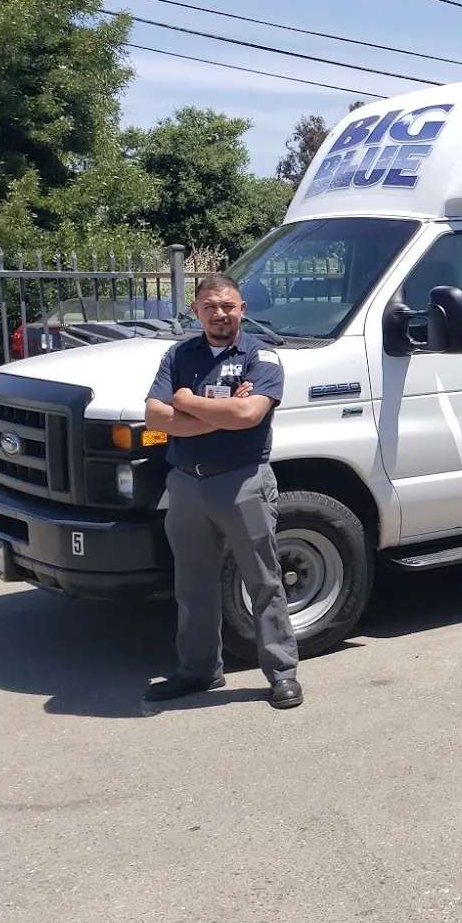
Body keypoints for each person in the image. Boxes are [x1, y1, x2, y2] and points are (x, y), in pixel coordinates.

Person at [142, 274, 301, 710]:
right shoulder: (179, 354)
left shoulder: (260, 355)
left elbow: (250, 413)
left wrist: (189, 403)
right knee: (192, 584)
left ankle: (282, 673)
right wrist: (222, 412)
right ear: (197, 311)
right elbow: (156, 415)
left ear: (242, 308)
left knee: (264, 581)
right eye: (210, 306)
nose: (220, 314)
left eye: (228, 306)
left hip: (242, 481)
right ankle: (198, 671)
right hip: (187, 483)